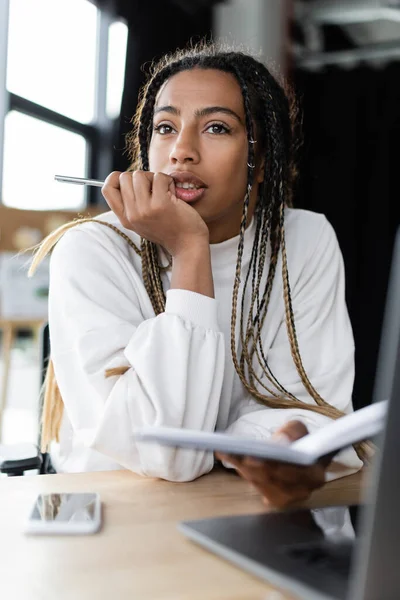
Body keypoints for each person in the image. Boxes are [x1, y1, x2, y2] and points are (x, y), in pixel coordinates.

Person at [30, 42, 366, 507]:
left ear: (262, 161)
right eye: (165, 127)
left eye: (215, 127)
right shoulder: (91, 249)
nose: (181, 152)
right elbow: (166, 454)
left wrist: (277, 445)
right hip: (115, 513)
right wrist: (191, 248)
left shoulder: (305, 239)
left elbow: (314, 408)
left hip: (236, 500)